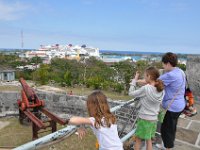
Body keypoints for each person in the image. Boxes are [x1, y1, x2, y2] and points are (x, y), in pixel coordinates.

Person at [129, 67, 165, 150]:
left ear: (149, 76)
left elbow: (131, 93)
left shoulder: (146, 88)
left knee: (138, 140)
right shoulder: (161, 90)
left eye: (145, 76)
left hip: (144, 118)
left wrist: (134, 80)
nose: (144, 77)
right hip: (154, 119)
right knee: (148, 140)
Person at [158, 52, 186, 150]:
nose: (163, 66)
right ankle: (165, 145)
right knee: (171, 128)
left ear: (168, 63)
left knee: (167, 130)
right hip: (180, 105)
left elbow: (154, 82)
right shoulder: (180, 71)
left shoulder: (170, 75)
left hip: (172, 107)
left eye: (163, 64)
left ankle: (167, 147)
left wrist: (137, 81)